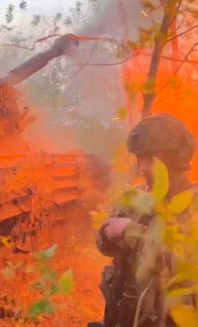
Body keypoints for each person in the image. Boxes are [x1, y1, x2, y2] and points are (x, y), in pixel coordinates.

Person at [93, 113, 196, 327]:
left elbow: (184, 263)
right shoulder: (135, 198)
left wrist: (130, 233)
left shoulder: (193, 204)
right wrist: (107, 235)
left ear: (174, 158)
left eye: (149, 158)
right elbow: (103, 241)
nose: (143, 167)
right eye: (139, 159)